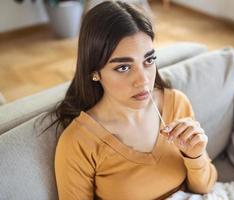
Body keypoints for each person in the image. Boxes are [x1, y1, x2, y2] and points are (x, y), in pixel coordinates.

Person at [51, 1, 217, 199]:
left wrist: (195, 155)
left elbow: (206, 188)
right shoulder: (78, 142)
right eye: (123, 67)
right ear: (94, 72)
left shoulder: (176, 104)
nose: (144, 80)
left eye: (149, 60)